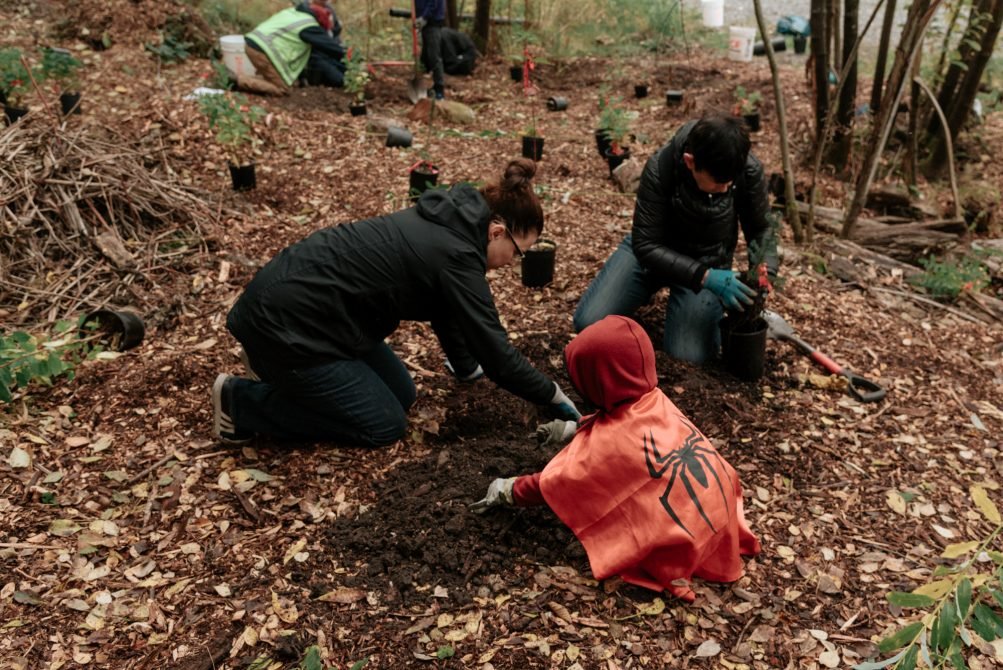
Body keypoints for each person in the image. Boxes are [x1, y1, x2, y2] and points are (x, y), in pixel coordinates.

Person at [213, 158, 581, 447]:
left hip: (321, 312)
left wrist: (467, 369)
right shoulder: (457, 256)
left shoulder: (454, 221)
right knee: (383, 425)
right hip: (287, 322)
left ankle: (282, 369)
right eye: (517, 252)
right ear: (497, 231)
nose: (513, 263)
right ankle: (241, 401)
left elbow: (446, 307)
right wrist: (551, 394)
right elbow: (498, 355)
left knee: (402, 394)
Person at [471, 315, 760, 602]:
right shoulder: (655, 399)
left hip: (688, 540)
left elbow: (559, 481)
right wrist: (574, 427)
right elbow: (618, 418)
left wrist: (509, 490)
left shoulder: (611, 444)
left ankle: (673, 562)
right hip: (723, 512)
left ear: (600, 382)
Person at [573, 114, 779, 364]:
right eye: (717, 184)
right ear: (690, 162)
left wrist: (765, 269)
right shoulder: (661, 167)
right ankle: (638, 292)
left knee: (689, 356)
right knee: (589, 323)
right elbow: (645, 244)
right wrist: (705, 276)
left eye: (729, 183)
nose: (725, 189)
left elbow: (761, 229)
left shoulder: (746, 170)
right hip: (653, 255)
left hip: (707, 260)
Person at [238, 1, 347, 96]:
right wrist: (349, 56)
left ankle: (245, 79)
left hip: (253, 42)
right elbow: (331, 47)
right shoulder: (310, 27)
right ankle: (239, 81)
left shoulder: (295, 12)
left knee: (275, 78)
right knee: (283, 89)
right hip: (262, 51)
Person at [415, 0, 446, 99]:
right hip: (426, 23)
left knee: (434, 56)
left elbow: (433, 3)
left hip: (432, 23)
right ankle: (424, 86)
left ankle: (439, 89)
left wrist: (424, 17)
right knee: (426, 57)